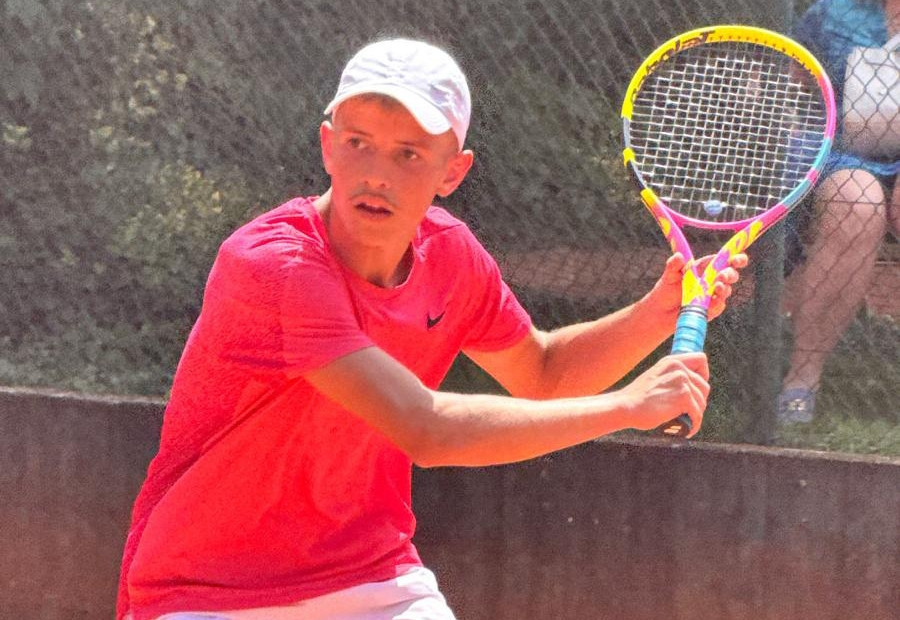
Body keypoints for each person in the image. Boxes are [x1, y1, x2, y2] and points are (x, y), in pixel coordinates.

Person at [116, 38, 746, 620]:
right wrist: (628, 406)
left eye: (409, 153)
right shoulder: (274, 265)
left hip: (370, 577)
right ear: (327, 145)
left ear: (453, 171)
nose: (376, 173)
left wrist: (658, 311)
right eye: (358, 142)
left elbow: (544, 372)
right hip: (205, 590)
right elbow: (425, 428)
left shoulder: (450, 255)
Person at [778, 0, 900, 424]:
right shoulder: (831, 12)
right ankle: (802, 377)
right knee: (856, 203)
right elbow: (793, 86)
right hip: (847, 154)